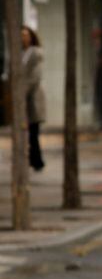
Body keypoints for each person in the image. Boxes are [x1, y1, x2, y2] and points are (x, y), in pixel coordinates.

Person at [21, 26, 46, 172]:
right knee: (28, 132)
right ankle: (32, 160)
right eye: (21, 35)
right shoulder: (21, 52)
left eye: (25, 35)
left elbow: (35, 77)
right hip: (25, 98)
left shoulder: (36, 53)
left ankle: (37, 162)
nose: (23, 38)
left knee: (33, 132)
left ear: (31, 36)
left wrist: (22, 93)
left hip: (33, 98)